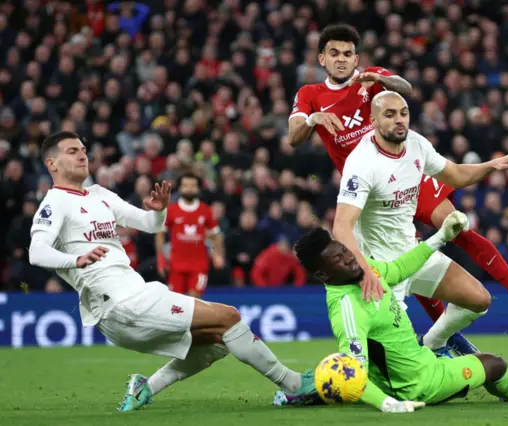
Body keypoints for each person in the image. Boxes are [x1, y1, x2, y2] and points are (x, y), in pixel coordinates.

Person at [28, 131, 316, 412]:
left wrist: (159, 211)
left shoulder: (99, 194)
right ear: (52, 164)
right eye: (72, 151)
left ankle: (145, 388)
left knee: (219, 341)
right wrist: (76, 259)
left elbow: (150, 224)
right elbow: (36, 251)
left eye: (82, 150)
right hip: (120, 303)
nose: (82, 155)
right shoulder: (55, 203)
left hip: (134, 297)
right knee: (230, 317)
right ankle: (293, 386)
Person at [288, 23, 508, 323]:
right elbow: (294, 136)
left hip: (405, 168)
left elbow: (405, 89)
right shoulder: (310, 94)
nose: (342, 59)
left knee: (456, 225)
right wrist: (313, 119)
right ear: (322, 59)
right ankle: (445, 337)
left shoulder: (369, 79)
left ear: (356, 59)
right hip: (371, 192)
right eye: (334, 53)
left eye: (348, 53)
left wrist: (382, 80)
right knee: (406, 254)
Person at [274, 221, 508, 412]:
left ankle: (309, 390)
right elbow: (354, 372)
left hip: (417, 361)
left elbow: (398, 269)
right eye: (338, 260)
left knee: (443, 356)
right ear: (324, 274)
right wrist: (387, 404)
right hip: (420, 384)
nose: (349, 258)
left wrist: (440, 237)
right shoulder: (348, 309)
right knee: (494, 364)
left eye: (345, 251)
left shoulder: (364, 270)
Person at [334, 91, 508, 355]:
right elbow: (341, 226)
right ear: (372, 120)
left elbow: (456, 174)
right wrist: (365, 271)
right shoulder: (362, 162)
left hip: (413, 255)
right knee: (390, 365)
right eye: (390, 114)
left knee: (479, 299)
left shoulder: (417, 144)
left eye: (403, 113)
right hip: (381, 267)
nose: (399, 120)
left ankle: (433, 343)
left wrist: (493, 164)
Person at [155, 173, 225, 298]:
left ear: (198, 189)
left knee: (194, 302)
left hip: (199, 265)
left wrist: (218, 254)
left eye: (193, 185)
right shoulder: (171, 210)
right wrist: (161, 259)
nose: (189, 188)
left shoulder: (205, 210)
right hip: (176, 265)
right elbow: (160, 234)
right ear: (180, 188)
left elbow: (216, 235)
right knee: (176, 304)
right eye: (185, 185)